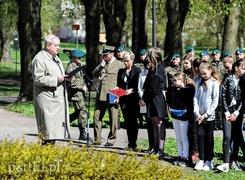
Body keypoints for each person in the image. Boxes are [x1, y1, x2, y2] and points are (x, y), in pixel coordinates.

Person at [32, 34, 71, 145]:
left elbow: (57, 74)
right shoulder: (40, 59)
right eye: (56, 45)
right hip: (47, 101)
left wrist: (65, 78)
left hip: (55, 100)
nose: (58, 48)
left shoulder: (55, 57)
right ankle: (45, 159)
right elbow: (38, 79)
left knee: (53, 135)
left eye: (59, 45)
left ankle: (48, 157)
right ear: (48, 45)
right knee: (48, 134)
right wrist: (56, 79)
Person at [92, 46, 125, 146]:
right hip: (101, 94)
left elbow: (122, 82)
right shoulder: (103, 64)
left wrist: (119, 95)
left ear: (112, 54)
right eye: (104, 55)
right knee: (96, 117)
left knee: (113, 118)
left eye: (106, 55)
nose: (104, 56)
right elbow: (94, 74)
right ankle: (97, 139)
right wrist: (101, 66)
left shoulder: (119, 65)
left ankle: (111, 139)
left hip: (112, 95)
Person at [216, 59, 245, 172]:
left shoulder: (243, 81)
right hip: (227, 111)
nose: (244, 70)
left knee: (237, 137)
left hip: (237, 112)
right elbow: (222, 96)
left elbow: (243, 99)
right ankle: (226, 162)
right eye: (243, 68)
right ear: (236, 67)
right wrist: (226, 112)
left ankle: (234, 161)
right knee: (227, 137)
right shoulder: (228, 79)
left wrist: (237, 113)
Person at [139, 47, 167, 160]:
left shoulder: (159, 69)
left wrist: (144, 99)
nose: (147, 57)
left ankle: (160, 149)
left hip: (157, 98)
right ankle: (155, 147)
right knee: (154, 123)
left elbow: (154, 88)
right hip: (151, 98)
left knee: (159, 124)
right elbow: (146, 85)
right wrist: (144, 98)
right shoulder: (153, 68)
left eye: (150, 55)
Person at [193, 61, 220, 171]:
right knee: (200, 136)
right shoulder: (198, 82)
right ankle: (202, 159)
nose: (202, 76)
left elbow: (215, 101)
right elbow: (195, 98)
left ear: (210, 70)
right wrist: (197, 113)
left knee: (209, 138)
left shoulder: (214, 83)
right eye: (201, 73)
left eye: (204, 73)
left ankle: (209, 160)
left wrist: (205, 114)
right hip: (199, 115)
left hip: (209, 116)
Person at [166, 72, 195, 167]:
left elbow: (190, 105)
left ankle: (185, 157)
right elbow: (169, 100)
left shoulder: (188, 91)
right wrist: (171, 88)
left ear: (181, 80)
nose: (173, 82)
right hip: (175, 115)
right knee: (178, 138)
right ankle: (179, 155)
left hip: (184, 117)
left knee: (184, 138)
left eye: (175, 80)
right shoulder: (173, 90)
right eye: (173, 80)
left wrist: (189, 117)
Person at [115, 51, 141, 150]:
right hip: (124, 100)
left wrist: (132, 90)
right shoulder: (121, 71)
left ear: (132, 60)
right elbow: (119, 85)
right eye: (124, 61)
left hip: (134, 100)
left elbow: (139, 85)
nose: (125, 63)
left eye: (127, 61)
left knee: (133, 121)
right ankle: (130, 142)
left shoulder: (137, 71)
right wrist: (117, 96)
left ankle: (133, 143)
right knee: (127, 121)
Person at [66, 49, 92, 141]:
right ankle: (82, 134)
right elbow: (71, 83)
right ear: (74, 58)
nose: (81, 59)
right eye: (79, 58)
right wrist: (82, 87)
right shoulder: (71, 67)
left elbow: (80, 79)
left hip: (80, 94)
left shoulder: (77, 66)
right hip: (75, 94)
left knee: (78, 112)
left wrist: (85, 85)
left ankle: (64, 123)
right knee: (82, 111)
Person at [138, 58, 154, 153]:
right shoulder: (141, 75)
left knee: (154, 124)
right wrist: (143, 98)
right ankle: (150, 145)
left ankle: (156, 145)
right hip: (144, 101)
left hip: (152, 101)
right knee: (148, 124)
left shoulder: (153, 74)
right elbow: (140, 88)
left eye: (149, 63)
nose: (148, 65)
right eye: (146, 63)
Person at [211, 49, 226, 131]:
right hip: (214, 86)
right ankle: (216, 123)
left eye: (217, 55)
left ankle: (220, 123)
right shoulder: (211, 64)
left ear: (219, 55)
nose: (215, 56)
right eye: (214, 55)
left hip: (222, 86)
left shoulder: (223, 64)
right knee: (215, 105)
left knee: (221, 105)